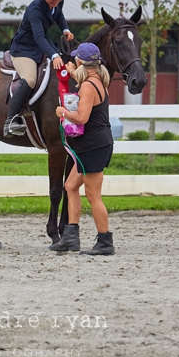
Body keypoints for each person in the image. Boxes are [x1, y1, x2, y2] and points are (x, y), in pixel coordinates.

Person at [49, 43, 114, 256]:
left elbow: (81, 117)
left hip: (92, 146)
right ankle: (70, 236)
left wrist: (63, 112)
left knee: (93, 195)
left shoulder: (87, 86)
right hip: (94, 144)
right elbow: (81, 79)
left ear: (81, 62)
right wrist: (71, 71)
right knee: (70, 186)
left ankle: (105, 241)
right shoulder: (97, 81)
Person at [4, 0, 74, 137]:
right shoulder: (34, 9)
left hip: (40, 45)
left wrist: (65, 28)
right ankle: (11, 120)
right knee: (30, 79)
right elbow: (38, 36)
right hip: (24, 48)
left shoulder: (58, 3)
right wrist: (53, 55)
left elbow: (59, 15)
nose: (56, 2)